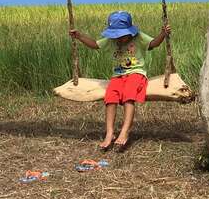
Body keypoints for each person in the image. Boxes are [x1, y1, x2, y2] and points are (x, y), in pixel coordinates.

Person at [69, 11, 170, 152]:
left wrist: (163, 34)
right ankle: (110, 132)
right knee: (110, 97)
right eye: (116, 35)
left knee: (129, 95)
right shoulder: (111, 40)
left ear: (130, 31)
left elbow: (153, 44)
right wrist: (79, 36)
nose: (119, 38)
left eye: (122, 35)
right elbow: (95, 44)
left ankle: (125, 131)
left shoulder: (139, 37)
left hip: (136, 73)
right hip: (118, 75)